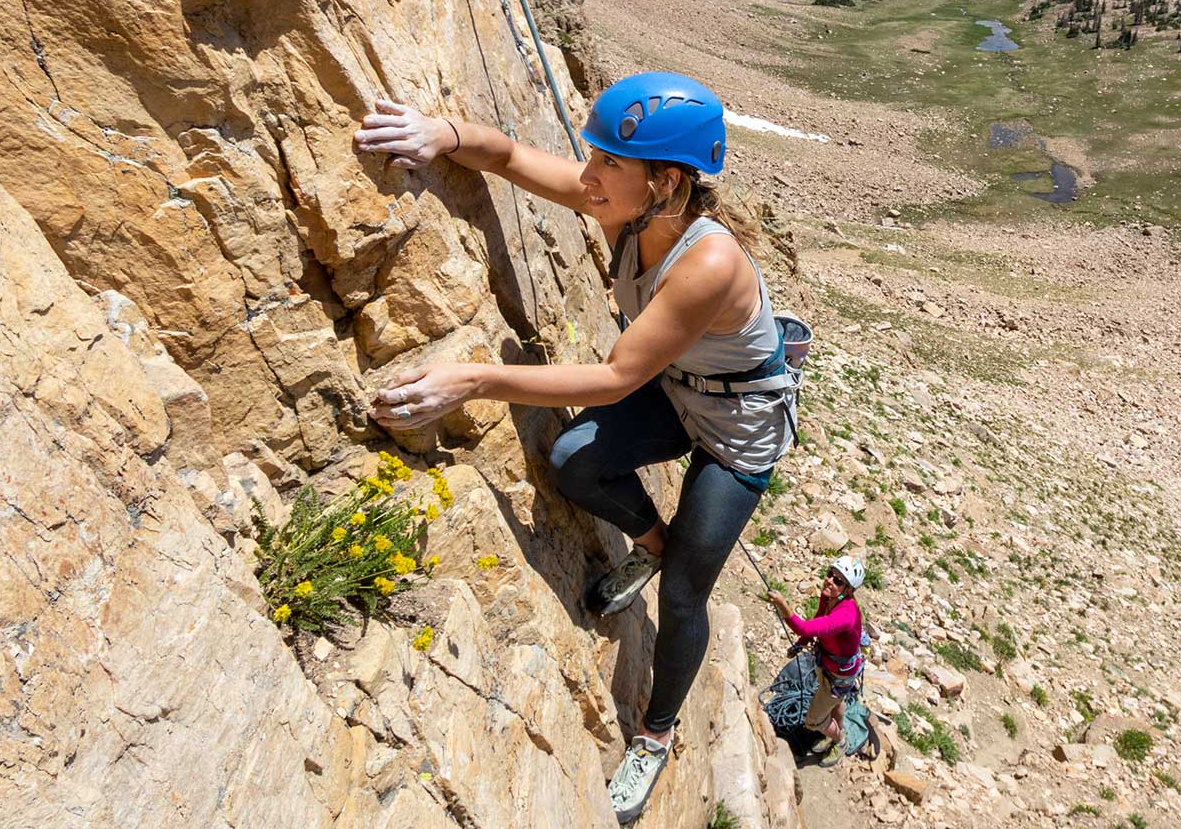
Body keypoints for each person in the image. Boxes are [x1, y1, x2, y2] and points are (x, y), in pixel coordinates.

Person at [353, 72, 797, 825]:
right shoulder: (620, 204)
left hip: (737, 427)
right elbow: (512, 157)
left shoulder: (707, 262)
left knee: (686, 594)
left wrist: (474, 380)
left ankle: (655, 736)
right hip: (681, 389)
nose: (586, 177)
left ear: (663, 182)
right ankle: (653, 541)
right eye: (592, 160)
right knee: (575, 462)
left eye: (607, 164)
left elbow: (619, 376)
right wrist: (442, 135)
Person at [769, 555, 865, 767]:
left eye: (838, 581)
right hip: (832, 666)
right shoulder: (829, 597)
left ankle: (840, 741)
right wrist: (801, 643)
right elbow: (816, 622)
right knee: (836, 701)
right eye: (831, 574)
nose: (830, 580)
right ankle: (833, 732)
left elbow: (806, 627)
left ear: (848, 590)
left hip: (839, 673)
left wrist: (784, 606)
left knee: (813, 721)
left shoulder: (846, 615)